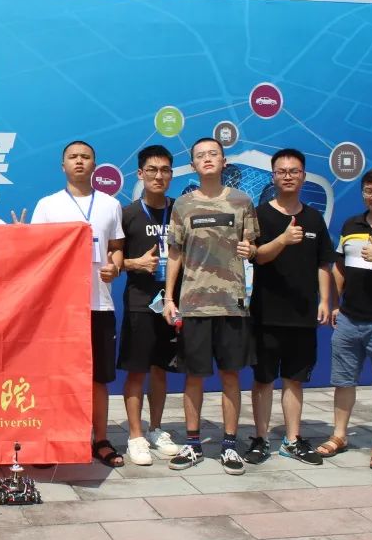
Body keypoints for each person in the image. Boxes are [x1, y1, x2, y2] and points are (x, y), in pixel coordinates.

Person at [163, 137, 258, 476]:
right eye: (200, 155)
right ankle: (193, 443)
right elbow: (175, 253)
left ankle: (230, 444)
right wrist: (169, 298)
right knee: (194, 376)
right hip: (194, 304)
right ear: (192, 165)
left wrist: (251, 251)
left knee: (230, 375)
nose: (207, 159)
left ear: (223, 161)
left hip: (232, 304)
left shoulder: (242, 201)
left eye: (213, 154)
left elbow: (253, 247)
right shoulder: (183, 205)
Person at [31, 141, 125, 467]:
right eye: (73, 157)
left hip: (99, 304)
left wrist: (115, 266)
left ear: (94, 165)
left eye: (85, 157)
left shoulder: (111, 204)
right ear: (63, 166)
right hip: (60, 308)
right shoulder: (47, 205)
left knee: (99, 377)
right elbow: (35, 252)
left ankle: (100, 439)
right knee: (56, 376)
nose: (79, 161)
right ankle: (54, 438)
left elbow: (116, 248)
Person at [245, 149, 333, 466]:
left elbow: (324, 263)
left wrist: (325, 300)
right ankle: (260, 438)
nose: (288, 176)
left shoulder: (314, 218)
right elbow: (257, 256)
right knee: (264, 379)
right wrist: (283, 240)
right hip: (266, 313)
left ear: (303, 176)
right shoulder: (259, 215)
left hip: (302, 313)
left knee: (295, 379)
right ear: (273, 177)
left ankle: (292, 440)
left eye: (294, 171)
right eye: (281, 171)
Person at [320, 165, 372, 470]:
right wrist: (337, 303)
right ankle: (339, 435)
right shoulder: (351, 224)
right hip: (350, 319)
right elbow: (339, 267)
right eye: (368, 190)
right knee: (343, 381)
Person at [119, 145, 181, 465]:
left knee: (161, 369)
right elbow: (112, 261)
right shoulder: (127, 214)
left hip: (172, 304)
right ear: (140, 174)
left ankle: (156, 429)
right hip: (140, 303)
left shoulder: (181, 210)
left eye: (165, 170)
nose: (159, 176)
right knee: (136, 370)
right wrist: (135, 263)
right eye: (152, 170)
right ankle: (135, 436)